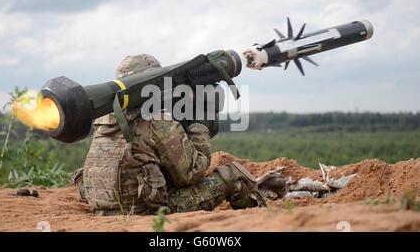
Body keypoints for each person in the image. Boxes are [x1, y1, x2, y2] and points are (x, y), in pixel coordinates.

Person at [73, 54, 285, 215]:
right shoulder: (155, 121)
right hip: (145, 214)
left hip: (105, 209)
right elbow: (192, 173)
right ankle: (258, 218)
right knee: (234, 175)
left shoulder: (104, 118)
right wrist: (199, 123)